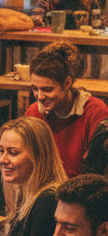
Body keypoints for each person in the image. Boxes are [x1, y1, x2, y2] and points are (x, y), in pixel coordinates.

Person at [24, 41, 108, 177]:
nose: (39, 96)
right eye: (35, 88)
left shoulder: (94, 111)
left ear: (67, 83)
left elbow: (97, 169)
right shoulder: (33, 112)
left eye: (47, 89)